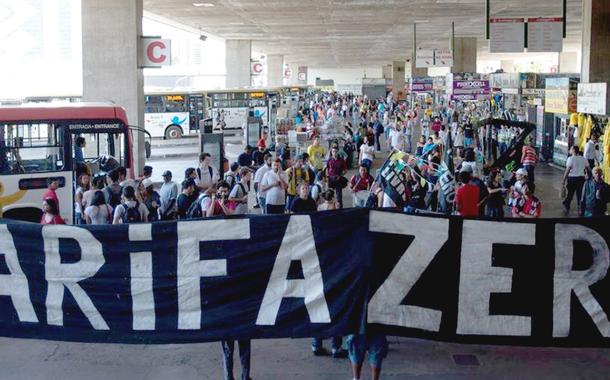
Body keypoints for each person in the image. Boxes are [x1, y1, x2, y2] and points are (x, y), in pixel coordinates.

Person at [562, 145, 589, 214]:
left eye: (571, 149)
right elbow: (588, 168)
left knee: (570, 194)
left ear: (574, 150)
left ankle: (567, 207)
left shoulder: (570, 159)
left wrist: (563, 180)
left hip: (572, 179)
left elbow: (567, 170)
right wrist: (587, 175)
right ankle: (580, 209)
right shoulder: (583, 158)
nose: (569, 150)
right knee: (580, 195)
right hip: (581, 179)